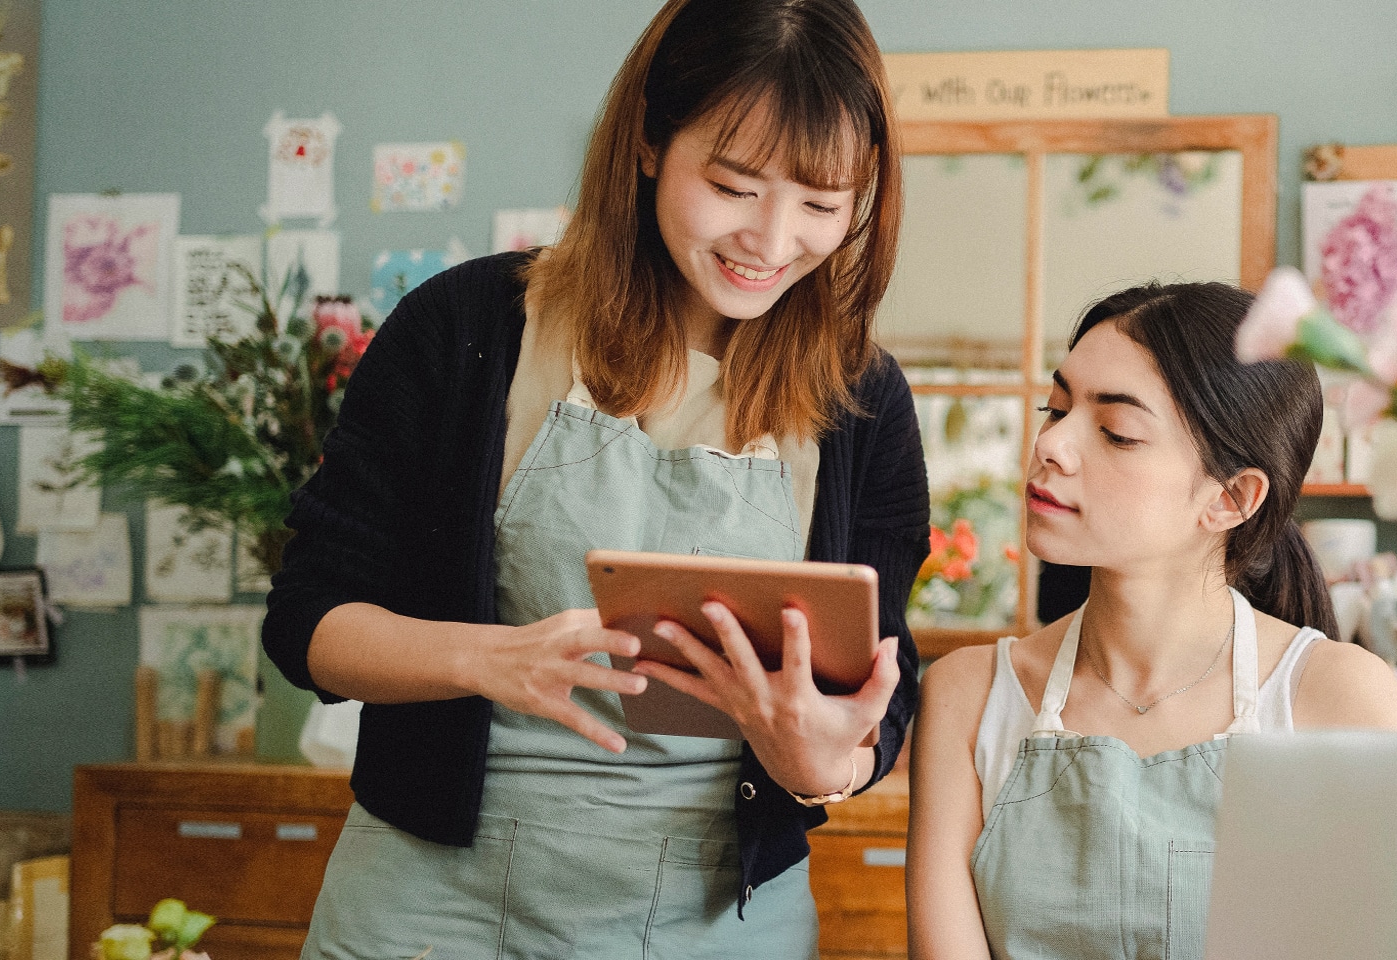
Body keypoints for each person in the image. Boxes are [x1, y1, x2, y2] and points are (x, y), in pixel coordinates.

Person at [261, 1, 928, 956]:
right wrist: (486, 659)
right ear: (650, 140)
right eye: (735, 186)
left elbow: (879, 693)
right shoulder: (467, 328)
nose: (773, 241)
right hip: (425, 902)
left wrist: (824, 760)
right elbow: (308, 622)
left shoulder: (861, 399)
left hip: (715, 917)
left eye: (823, 206)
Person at [906, 282, 1397, 960]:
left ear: (1231, 498)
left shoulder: (1337, 696)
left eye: (1116, 432)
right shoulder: (969, 694)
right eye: (1053, 409)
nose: (1052, 444)